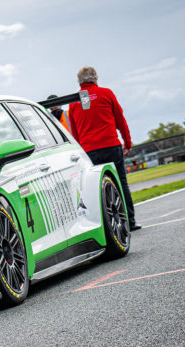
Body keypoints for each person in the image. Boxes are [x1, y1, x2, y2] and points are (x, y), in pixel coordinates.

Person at [68, 66, 140, 230]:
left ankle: (105, 225)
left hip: (89, 150)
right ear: (95, 78)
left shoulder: (74, 102)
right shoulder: (106, 93)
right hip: (110, 145)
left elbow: (75, 133)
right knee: (121, 183)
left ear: (79, 82)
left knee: (95, 190)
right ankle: (130, 221)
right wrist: (127, 143)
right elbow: (120, 120)